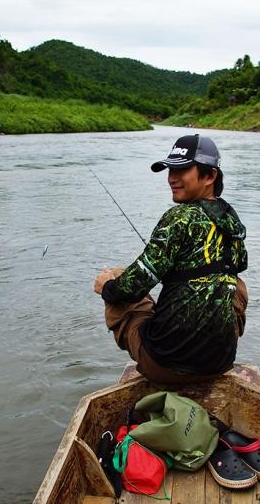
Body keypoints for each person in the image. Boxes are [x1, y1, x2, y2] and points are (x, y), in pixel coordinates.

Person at [93, 134, 248, 384]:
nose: (172, 178)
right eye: (170, 169)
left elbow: (133, 288)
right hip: (220, 362)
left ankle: (162, 364)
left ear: (210, 176)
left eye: (183, 169)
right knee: (237, 285)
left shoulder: (178, 218)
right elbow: (238, 263)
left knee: (119, 278)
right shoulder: (232, 221)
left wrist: (106, 287)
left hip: (166, 366)